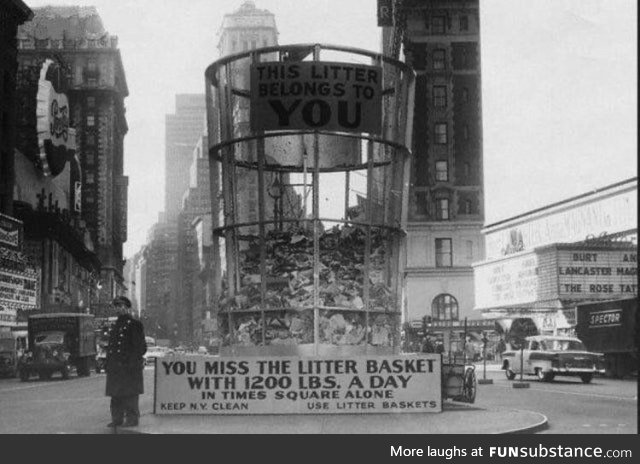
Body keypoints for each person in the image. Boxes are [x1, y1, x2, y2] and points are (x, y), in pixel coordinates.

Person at [105, 296, 147, 428]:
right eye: (116, 306)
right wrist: (109, 364)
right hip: (116, 368)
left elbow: (140, 347)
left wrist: (131, 363)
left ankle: (132, 419)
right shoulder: (115, 325)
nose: (118, 309)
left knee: (130, 395)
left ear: (127, 308)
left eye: (121, 306)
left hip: (129, 367)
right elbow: (112, 347)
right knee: (116, 395)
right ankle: (117, 419)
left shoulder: (134, 324)